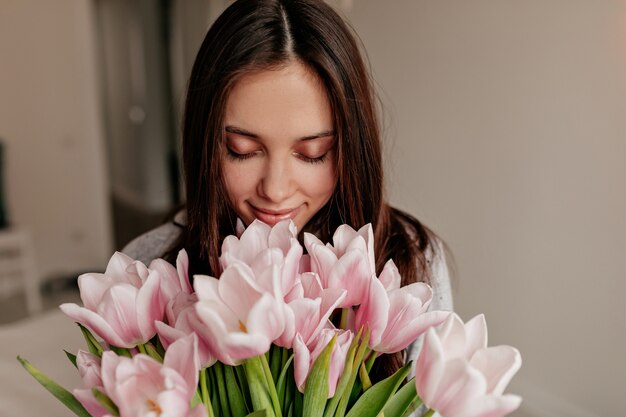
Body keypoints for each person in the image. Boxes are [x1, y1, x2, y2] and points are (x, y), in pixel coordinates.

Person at [123, 0, 452, 383]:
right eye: (241, 151)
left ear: (350, 148)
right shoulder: (146, 269)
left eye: (313, 154)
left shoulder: (410, 260)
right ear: (204, 143)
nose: (275, 191)